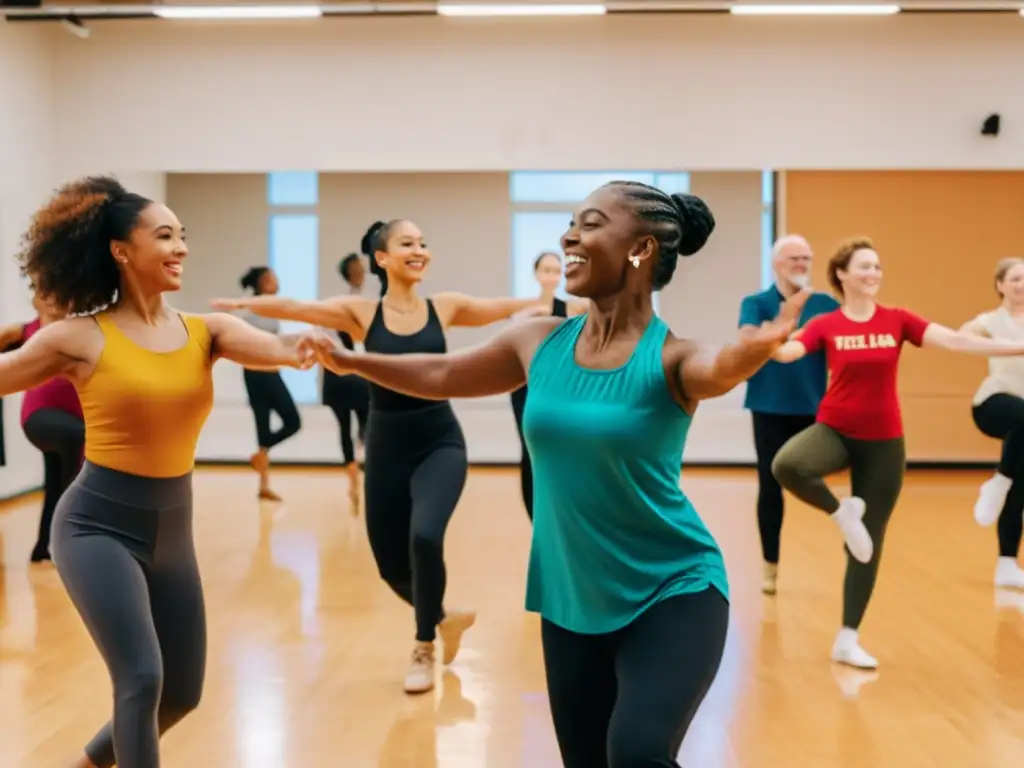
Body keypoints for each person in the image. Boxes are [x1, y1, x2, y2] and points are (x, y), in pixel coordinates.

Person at [301, 182, 808, 768]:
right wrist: (350, 360)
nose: (569, 236)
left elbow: (717, 368)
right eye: (571, 223)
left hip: (673, 591)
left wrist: (749, 352)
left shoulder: (671, 356)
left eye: (590, 224)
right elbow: (441, 374)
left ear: (641, 251)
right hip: (571, 600)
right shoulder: (537, 340)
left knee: (637, 750)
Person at [0, 175, 315, 768]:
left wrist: (304, 348)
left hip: (172, 533)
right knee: (141, 679)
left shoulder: (205, 332)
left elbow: (273, 348)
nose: (181, 248)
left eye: (183, 236)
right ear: (122, 250)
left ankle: (86, 763)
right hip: (95, 527)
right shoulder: (78, 338)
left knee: (182, 694)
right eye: (165, 236)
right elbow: (5, 371)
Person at [212, 218, 544, 695]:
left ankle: (424, 643)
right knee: (390, 565)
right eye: (408, 243)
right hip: (386, 445)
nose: (420, 250)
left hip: (440, 442)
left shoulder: (443, 306)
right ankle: (444, 617)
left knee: (425, 537)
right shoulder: (361, 313)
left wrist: (549, 304)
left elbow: (499, 309)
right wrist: (244, 304)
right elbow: (296, 307)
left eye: (424, 242)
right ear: (382, 257)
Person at [770, 237, 1024, 670]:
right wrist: (766, 341)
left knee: (868, 544)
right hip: (834, 428)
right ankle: (840, 514)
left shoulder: (897, 320)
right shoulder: (827, 325)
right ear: (843, 274)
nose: (873, 273)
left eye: (877, 267)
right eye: (864, 266)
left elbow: (956, 343)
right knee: (788, 465)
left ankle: (847, 638)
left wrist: (1017, 347)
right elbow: (788, 352)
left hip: (884, 440)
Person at [738, 235, 839, 595]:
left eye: (807, 258)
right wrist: (782, 326)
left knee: (817, 473)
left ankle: (848, 525)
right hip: (769, 406)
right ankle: (770, 566)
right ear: (777, 263)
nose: (802, 263)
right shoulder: (756, 303)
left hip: (814, 406)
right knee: (770, 484)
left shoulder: (826, 303)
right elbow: (749, 338)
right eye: (795, 258)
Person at [960, 257, 1024, 589]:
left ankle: (1006, 563)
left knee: (1020, 487)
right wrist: (1013, 347)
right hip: (993, 404)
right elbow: (963, 336)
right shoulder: (991, 320)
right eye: (1014, 278)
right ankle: (999, 479)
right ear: (1000, 284)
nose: (1021, 285)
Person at [509, 251, 587, 520]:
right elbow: (510, 344)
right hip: (526, 389)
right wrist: (526, 319)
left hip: (560, 390)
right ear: (536, 274)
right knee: (530, 451)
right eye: (546, 270)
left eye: (557, 270)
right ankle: (536, 518)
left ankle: (563, 514)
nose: (552, 275)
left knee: (562, 450)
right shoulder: (524, 311)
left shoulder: (574, 309)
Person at [20, 281, 85, 563]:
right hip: (40, 416)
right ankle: (76, 521)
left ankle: (44, 546)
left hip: (74, 416)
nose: (53, 298)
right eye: (46, 292)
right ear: (35, 298)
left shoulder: (82, 332)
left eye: (60, 292)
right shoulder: (22, 331)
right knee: (77, 443)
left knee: (55, 484)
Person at [237, 265, 302, 500]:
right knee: (267, 424)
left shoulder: (273, 308)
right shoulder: (252, 308)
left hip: (269, 372)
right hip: (258, 374)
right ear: (260, 284)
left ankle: (261, 456)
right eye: (270, 279)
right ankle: (263, 486)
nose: (275, 281)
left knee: (292, 422)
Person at [322, 252, 370, 507]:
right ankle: (356, 479)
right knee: (362, 426)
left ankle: (355, 479)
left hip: (344, 372)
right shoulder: (352, 303)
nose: (361, 272)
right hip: (348, 373)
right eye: (357, 268)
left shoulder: (349, 302)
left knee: (355, 427)